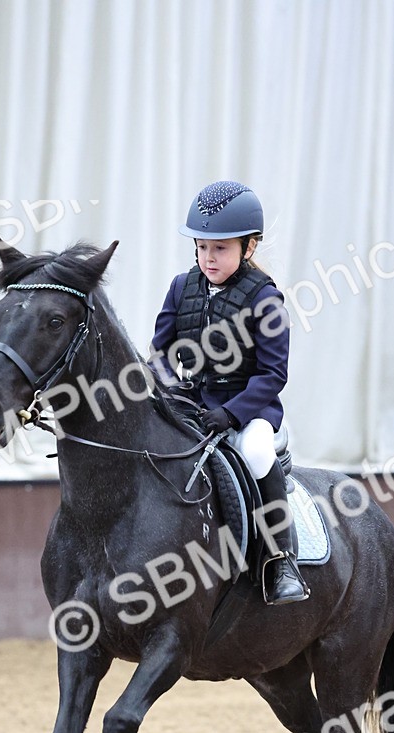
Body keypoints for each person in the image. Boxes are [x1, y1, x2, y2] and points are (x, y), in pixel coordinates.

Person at [150, 180, 309, 605]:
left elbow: (273, 374)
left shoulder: (266, 299)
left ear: (249, 247)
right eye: (202, 247)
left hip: (250, 409)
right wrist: (170, 390)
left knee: (256, 453)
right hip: (194, 406)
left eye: (219, 248)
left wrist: (233, 414)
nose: (208, 257)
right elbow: (161, 353)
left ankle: (281, 561)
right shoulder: (180, 289)